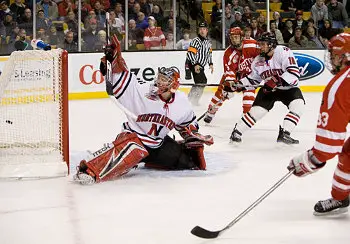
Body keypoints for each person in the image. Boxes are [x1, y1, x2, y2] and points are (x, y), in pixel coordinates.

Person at [74, 35, 214, 185]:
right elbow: (125, 78)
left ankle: (143, 159)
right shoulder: (144, 91)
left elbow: (187, 125)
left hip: (157, 144)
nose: (159, 82)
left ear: (173, 85)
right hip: (134, 137)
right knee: (132, 148)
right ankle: (90, 170)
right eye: (159, 78)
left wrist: (195, 137)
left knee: (188, 162)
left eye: (164, 80)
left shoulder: (181, 102)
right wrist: (112, 61)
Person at [288, 33, 350, 215]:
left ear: (342, 56)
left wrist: (310, 160)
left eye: (332, 55)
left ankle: (340, 197)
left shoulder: (339, 86)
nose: (330, 59)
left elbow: (329, 144)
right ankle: (340, 197)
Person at [230, 32, 305, 145]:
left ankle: (285, 133)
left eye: (264, 44)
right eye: (260, 44)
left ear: (272, 44)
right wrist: (238, 84)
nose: (261, 47)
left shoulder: (283, 52)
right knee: (257, 112)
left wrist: (276, 81)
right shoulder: (257, 60)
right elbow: (253, 80)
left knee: (298, 105)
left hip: (288, 88)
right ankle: (237, 132)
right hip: (269, 90)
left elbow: (294, 73)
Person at [203, 27, 260, 124]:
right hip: (235, 76)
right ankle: (211, 112)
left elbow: (263, 54)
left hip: (248, 76)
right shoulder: (228, 53)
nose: (234, 39)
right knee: (221, 93)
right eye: (232, 37)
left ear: (242, 37)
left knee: (249, 96)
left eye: (236, 37)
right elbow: (229, 72)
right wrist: (229, 86)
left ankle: (245, 118)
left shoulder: (252, 45)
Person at [186, 21, 213, 106]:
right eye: (200, 29)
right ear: (198, 31)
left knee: (201, 81)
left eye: (204, 29)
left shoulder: (208, 42)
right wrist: (195, 64)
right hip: (193, 64)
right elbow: (190, 54)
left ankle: (191, 98)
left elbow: (209, 54)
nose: (202, 31)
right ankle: (193, 99)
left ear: (207, 30)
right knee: (202, 81)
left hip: (200, 65)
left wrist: (211, 64)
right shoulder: (195, 41)